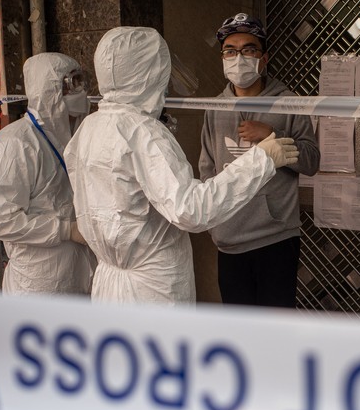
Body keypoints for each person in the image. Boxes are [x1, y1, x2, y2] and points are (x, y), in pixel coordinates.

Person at [64, 26, 298, 306]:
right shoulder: (142, 132)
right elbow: (191, 209)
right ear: (150, 73)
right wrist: (261, 160)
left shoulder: (89, 127)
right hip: (152, 290)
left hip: (109, 282)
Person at [199, 13, 320, 308]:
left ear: (263, 58)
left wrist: (273, 135)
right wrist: (214, 219)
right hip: (229, 239)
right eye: (230, 51)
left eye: (248, 49)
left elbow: (311, 162)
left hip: (275, 238)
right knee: (239, 331)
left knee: (275, 328)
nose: (238, 57)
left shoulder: (288, 102)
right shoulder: (213, 107)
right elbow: (207, 168)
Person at [0, 52, 95, 296]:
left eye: (80, 83)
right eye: (70, 85)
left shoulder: (72, 139)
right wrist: (67, 230)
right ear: (49, 90)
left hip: (77, 277)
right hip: (36, 286)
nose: (79, 93)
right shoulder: (15, 144)